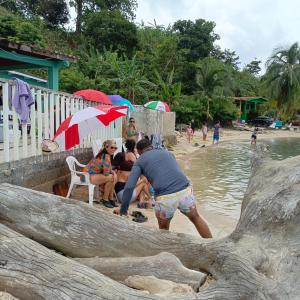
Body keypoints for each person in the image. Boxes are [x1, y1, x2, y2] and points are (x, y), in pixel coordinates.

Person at [114, 139, 212, 238]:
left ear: (139, 151)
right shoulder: (166, 152)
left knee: (164, 230)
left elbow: (130, 186)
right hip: (185, 190)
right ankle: (211, 245)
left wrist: (124, 209)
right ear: (151, 146)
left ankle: (166, 251)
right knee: (196, 218)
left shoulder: (140, 160)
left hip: (165, 198)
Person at [82, 140, 118, 208]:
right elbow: (106, 173)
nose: (114, 149)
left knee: (112, 177)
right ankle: (106, 199)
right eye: (112, 147)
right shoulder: (106, 156)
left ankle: (110, 198)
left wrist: (113, 173)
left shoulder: (103, 152)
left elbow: (109, 169)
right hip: (87, 176)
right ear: (106, 147)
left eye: (115, 148)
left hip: (87, 175)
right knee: (111, 178)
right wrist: (113, 174)